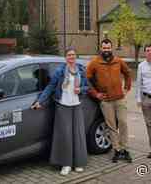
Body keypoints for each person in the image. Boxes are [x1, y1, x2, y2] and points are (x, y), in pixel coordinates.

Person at [31, 47, 89, 176]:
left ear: (76, 56)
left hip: (77, 105)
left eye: (73, 55)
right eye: (69, 55)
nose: (71, 57)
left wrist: (81, 89)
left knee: (78, 135)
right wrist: (40, 101)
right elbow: (51, 86)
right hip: (63, 105)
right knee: (65, 136)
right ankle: (66, 164)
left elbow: (87, 87)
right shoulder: (60, 71)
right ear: (66, 57)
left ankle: (78, 163)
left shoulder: (81, 70)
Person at [86, 39, 132, 163]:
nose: (106, 50)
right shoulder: (94, 62)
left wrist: (127, 88)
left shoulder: (118, 61)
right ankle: (116, 150)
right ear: (101, 48)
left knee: (123, 123)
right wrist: (96, 94)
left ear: (111, 48)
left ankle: (125, 150)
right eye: (104, 48)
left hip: (119, 99)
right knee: (111, 126)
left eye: (108, 48)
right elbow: (87, 80)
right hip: (106, 101)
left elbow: (128, 73)